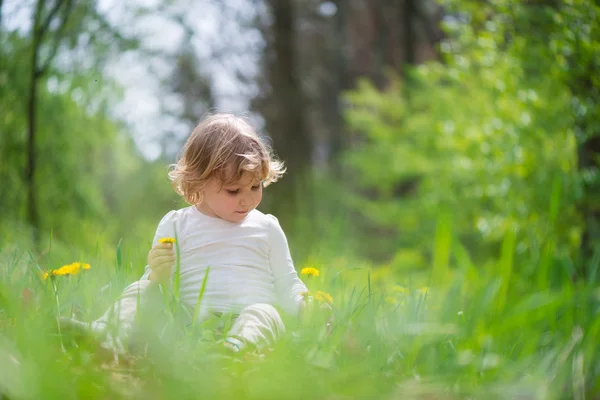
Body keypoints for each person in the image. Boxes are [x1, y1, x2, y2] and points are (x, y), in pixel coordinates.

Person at [63, 113, 310, 354]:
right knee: (143, 289)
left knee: (266, 313)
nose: (247, 199)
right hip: (188, 328)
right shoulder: (176, 224)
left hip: (249, 321)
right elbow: (161, 289)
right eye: (233, 191)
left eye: (255, 186)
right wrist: (158, 274)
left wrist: (306, 305)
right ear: (199, 181)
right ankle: (106, 332)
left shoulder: (267, 227)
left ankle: (234, 351)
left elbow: (288, 283)